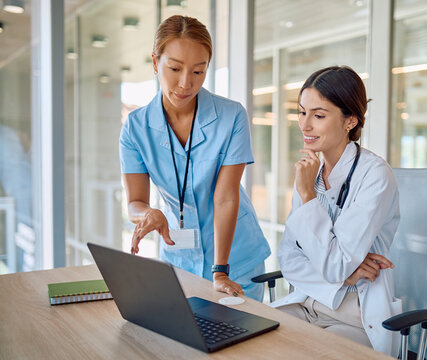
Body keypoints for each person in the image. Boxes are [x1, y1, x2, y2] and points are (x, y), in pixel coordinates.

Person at [119, 15, 270, 301]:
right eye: (175, 68)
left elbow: (225, 197)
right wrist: (148, 214)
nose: (186, 83)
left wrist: (221, 270)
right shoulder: (136, 128)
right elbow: (134, 202)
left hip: (235, 258)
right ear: (155, 63)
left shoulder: (231, 116)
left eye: (198, 72)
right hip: (179, 257)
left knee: (239, 340)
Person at [271, 66, 402, 356]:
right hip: (307, 302)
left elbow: (334, 264)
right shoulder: (310, 171)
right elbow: (289, 260)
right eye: (302, 112)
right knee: (250, 339)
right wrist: (345, 273)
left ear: (350, 121)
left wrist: (307, 197)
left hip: (355, 316)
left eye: (318, 115)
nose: (305, 125)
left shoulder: (375, 176)